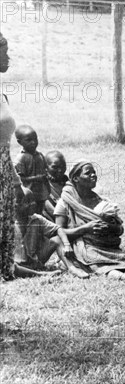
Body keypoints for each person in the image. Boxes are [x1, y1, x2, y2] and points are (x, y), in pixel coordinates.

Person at [54, 160, 125, 282]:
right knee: (94, 261)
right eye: (88, 173)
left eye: (94, 172)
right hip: (82, 247)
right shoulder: (65, 202)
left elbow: (120, 229)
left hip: (106, 245)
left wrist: (109, 227)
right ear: (76, 179)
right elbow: (57, 232)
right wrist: (85, 229)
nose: (93, 175)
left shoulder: (102, 202)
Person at [13, 187, 86, 278]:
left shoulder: (36, 219)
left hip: (35, 261)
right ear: (16, 205)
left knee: (56, 240)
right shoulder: (7, 224)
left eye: (33, 200)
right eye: (27, 202)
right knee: (10, 266)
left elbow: (58, 229)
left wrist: (67, 244)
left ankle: (72, 268)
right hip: (18, 265)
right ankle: (41, 274)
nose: (33, 204)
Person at [0, 32, 25, 281]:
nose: (8, 57)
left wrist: (16, 181)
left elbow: (5, 145)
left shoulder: (2, 94)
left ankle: (8, 269)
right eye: (4, 52)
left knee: (5, 223)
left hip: (3, 169)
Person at [14, 125, 51, 215]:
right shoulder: (21, 158)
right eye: (28, 140)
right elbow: (20, 179)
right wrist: (36, 178)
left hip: (41, 193)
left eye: (35, 139)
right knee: (30, 215)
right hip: (28, 194)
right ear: (20, 142)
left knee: (40, 213)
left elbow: (46, 170)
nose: (33, 142)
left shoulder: (40, 155)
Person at [43, 150, 68, 221]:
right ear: (45, 168)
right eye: (55, 167)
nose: (60, 170)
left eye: (63, 166)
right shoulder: (42, 187)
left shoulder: (71, 184)